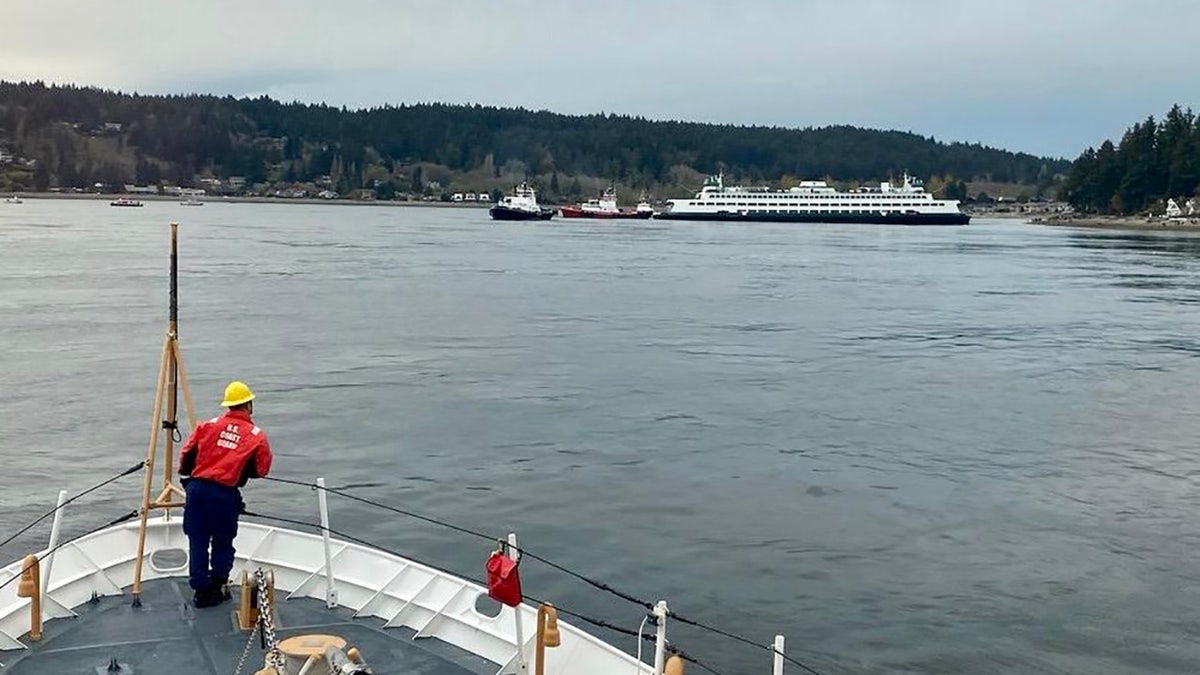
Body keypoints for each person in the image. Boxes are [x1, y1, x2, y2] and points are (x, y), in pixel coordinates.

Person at [178, 380, 273, 608]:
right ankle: (219, 586)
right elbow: (262, 469)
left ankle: (200, 592)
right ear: (249, 405)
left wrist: (191, 478)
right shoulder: (256, 434)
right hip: (223, 493)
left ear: (228, 405)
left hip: (196, 490)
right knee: (223, 541)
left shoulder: (207, 426)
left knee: (197, 540)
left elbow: (186, 455)